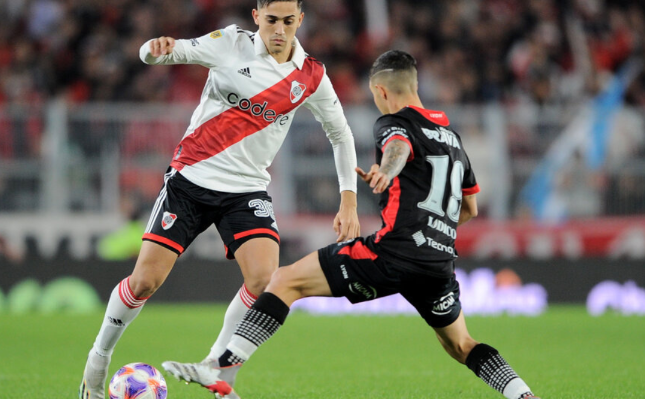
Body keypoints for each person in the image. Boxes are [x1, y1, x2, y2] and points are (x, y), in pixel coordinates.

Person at [164, 50, 540, 399]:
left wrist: (386, 171)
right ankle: (522, 394)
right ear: (415, 86)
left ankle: (225, 371)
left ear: (381, 91)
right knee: (461, 345)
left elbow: (398, 147)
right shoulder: (453, 140)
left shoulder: (393, 123)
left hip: (393, 252)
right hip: (438, 263)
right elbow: (470, 207)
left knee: (284, 281)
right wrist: (434, 228)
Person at [78, 1, 361, 398]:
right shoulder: (231, 43)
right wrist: (154, 48)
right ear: (256, 17)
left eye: (287, 21)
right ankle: (97, 362)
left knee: (265, 279)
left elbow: (341, 134)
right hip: (191, 179)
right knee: (144, 282)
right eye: (271, 20)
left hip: (246, 189)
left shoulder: (311, 75)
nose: (278, 30)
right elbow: (169, 52)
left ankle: (215, 366)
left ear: (300, 20)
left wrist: (348, 199)